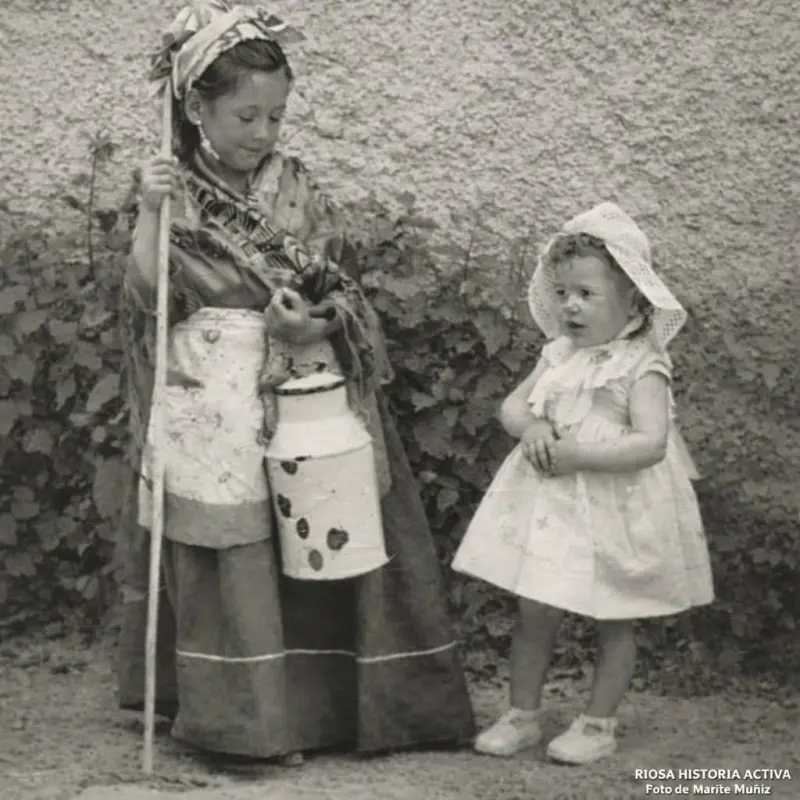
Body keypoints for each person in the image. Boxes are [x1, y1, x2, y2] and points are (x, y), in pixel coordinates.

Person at [115, 0, 474, 764]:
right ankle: (244, 722)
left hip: (305, 388)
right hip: (211, 401)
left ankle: (322, 715)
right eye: (246, 116)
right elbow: (149, 302)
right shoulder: (169, 190)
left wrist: (311, 325)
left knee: (319, 535)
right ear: (196, 108)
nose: (263, 134)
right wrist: (152, 212)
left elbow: (342, 290)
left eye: (276, 116)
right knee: (231, 549)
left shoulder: (296, 188)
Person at [452, 202, 714, 765]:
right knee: (534, 608)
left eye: (586, 294)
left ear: (634, 301)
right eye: (564, 293)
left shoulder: (642, 366)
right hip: (553, 504)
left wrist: (581, 453)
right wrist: (536, 427)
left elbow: (650, 443)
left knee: (615, 612)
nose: (570, 305)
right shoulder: (559, 355)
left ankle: (598, 723)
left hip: (615, 505)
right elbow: (511, 407)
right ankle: (522, 713)